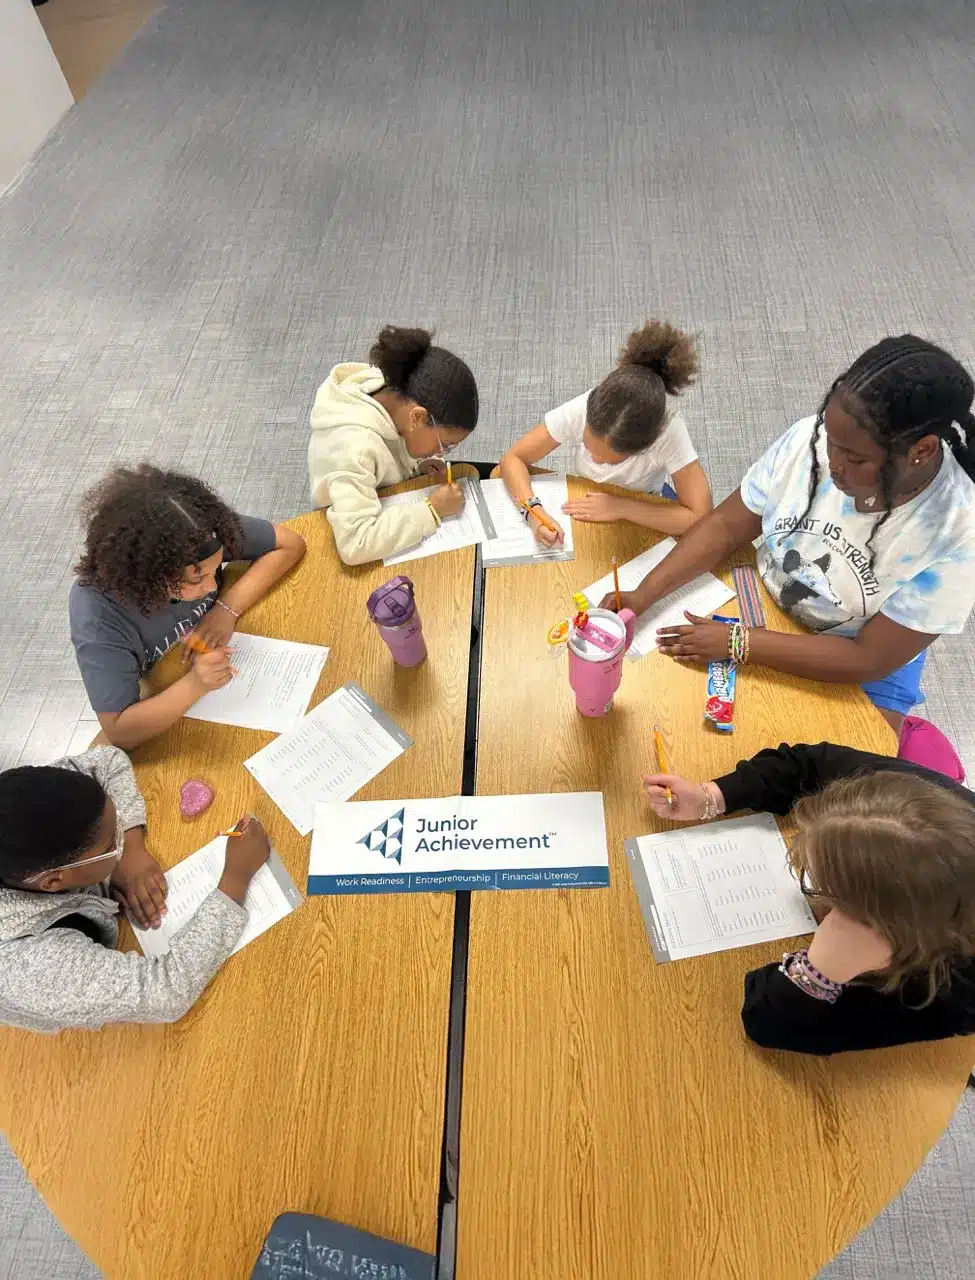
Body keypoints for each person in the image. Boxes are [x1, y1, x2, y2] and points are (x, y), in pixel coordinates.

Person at [604, 335, 975, 733]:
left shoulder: (957, 532)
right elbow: (727, 526)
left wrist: (740, 644)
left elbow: (869, 658)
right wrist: (644, 593)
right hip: (766, 595)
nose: (833, 464)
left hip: (862, 649)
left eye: (855, 458)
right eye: (830, 442)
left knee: (847, 773)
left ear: (921, 450)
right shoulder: (807, 442)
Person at [643, 740, 975, 1055]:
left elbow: (770, 1024)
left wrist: (818, 971)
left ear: (882, 927)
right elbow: (808, 762)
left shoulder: (950, 988)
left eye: (820, 884)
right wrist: (711, 797)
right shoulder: (915, 807)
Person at [0, 747, 271, 1032]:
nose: (119, 838)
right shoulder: (29, 966)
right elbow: (166, 993)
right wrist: (235, 879)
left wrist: (131, 848)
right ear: (53, 881)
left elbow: (106, 760)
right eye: (110, 845)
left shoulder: (29, 811)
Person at [69, 465, 306, 750]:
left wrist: (225, 610)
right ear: (146, 574)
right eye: (197, 578)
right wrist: (196, 683)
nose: (209, 587)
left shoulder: (195, 533)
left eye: (215, 570)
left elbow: (289, 544)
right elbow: (119, 729)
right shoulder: (98, 614)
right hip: (163, 699)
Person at [498, 320, 712, 545]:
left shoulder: (668, 431)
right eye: (589, 450)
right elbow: (513, 459)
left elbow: (700, 516)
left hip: (645, 503)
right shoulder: (583, 408)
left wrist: (622, 507)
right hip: (588, 496)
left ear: (645, 446)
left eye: (609, 461)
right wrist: (534, 513)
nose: (596, 460)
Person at [308, 325, 480, 565]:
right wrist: (431, 510)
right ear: (418, 417)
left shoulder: (396, 390)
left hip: (382, 494)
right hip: (342, 521)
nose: (442, 453)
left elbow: (395, 445)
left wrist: (417, 464)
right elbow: (355, 544)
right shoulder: (354, 449)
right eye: (446, 445)